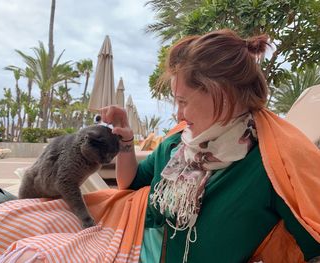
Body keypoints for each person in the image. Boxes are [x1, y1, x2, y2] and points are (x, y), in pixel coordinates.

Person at [100, 29, 320, 262]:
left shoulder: (271, 166)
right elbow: (130, 183)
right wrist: (125, 141)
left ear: (221, 94)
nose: (179, 116)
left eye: (183, 102)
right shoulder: (177, 145)